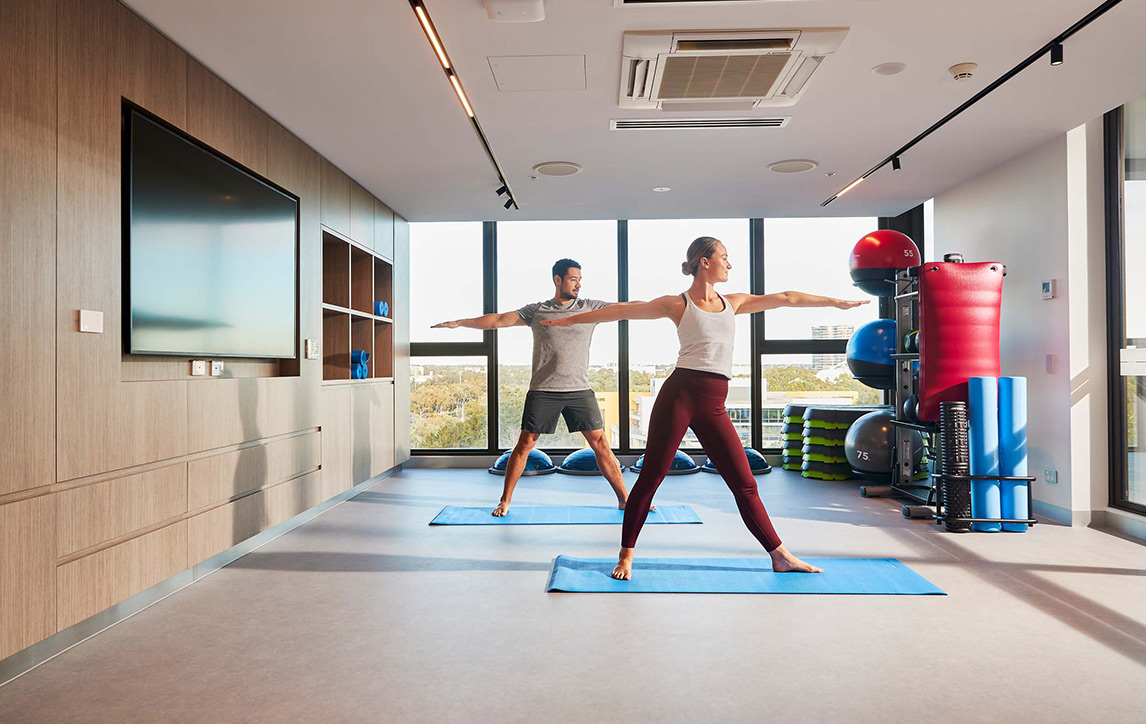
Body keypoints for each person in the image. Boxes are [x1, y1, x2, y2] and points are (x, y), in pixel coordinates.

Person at [542, 237, 868, 579]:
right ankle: (626, 555)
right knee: (651, 476)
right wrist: (568, 321)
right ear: (704, 262)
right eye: (724, 257)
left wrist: (835, 303)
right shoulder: (677, 304)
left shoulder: (734, 302)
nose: (729, 264)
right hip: (679, 397)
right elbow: (623, 310)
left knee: (745, 484)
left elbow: (787, 298)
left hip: (714, 403)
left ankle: (780, 554)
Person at [433, 259, 633, 516]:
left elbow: (626, 308)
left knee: (601, 444)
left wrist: (668, 305)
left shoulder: (590, 308)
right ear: (557, 280)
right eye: (573, 279)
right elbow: (499, 320)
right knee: (526, 443)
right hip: (543, 389)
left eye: (580, 280)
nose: (578, 285)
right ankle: (505, 500)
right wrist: (460, 322)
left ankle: (625, 499)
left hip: (579, 389)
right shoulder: (537, 310)